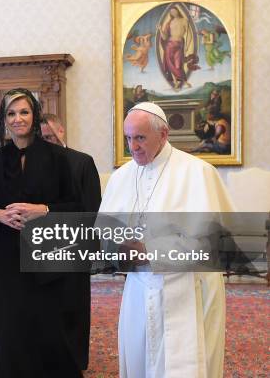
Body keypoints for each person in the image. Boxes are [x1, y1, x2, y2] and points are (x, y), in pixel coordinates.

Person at [99, 102, 234, 377]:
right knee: (140, 357)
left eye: (140, 138)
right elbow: (104, 232)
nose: (132, 147)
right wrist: (116, 248)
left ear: (163, 134)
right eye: (128, 138)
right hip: (139, 286)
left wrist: (150, 251)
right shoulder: (122, 177)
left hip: (189, 288)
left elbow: (212, 243)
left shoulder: (197, 172)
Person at [0, 89, 101, 377]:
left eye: (24, 112)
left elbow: (77, 207)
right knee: (11, 327)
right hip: (8, 257)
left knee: (48, 328)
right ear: (4, 120)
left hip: (47, 253)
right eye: (11, 113)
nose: (18, 118)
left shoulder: (58, 157)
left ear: (34, 116)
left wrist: (43, 209)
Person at [41, 113, 102, 212]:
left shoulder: (83, 162)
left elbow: (93, 207)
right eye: (40, 139)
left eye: (48, 137)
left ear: (61, 131)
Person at [158, 5, 195, 90]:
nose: (173, 13)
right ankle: (175, 83)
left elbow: (189, 35)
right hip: (169, 44)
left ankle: (184, 81)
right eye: (171, 12)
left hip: (179, 44)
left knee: (178, 65)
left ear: (178, 11)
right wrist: (160, 30)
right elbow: (164, 37)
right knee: (170, 64)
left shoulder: (184, 20)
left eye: (174, 11)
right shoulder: (170, 22)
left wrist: (187, 46)